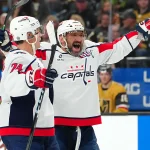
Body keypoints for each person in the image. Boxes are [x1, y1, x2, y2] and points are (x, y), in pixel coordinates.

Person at [1, 18, 150, 150]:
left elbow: (118, 48)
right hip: (56, 128)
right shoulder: (46, 51)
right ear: (61, 37)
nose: (78, 38)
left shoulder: (92, 50)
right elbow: (22, 53)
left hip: (85, 129)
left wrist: (139, 32)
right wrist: (8, 44)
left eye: (80, 34)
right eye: (73, 34)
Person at [0, 16, 59, 150]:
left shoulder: (30, 58)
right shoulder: (19, 58)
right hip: (22, 129)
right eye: (38, 31)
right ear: (28, 35)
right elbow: (12, 85)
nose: (41, 35)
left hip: (41, 130)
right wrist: (32, 78)